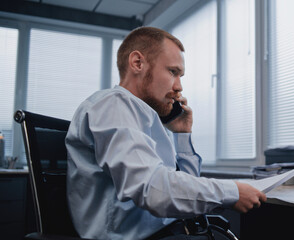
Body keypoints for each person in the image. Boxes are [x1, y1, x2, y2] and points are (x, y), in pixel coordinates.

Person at [65, 26, 266, 240]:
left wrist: (182, 134)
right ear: (137, 63)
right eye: (173, 72)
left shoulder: (141, 118)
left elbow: (181, 196)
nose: (179, 87)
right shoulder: (114, 105)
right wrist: (231, 191)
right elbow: (153, 190)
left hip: (166, 231)